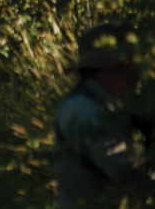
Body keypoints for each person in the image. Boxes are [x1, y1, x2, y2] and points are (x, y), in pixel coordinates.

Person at [54, 20, 142, 208]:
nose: (136, 72)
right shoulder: (85, 111)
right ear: (109, 68)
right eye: (128, 63)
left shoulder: (96, 104)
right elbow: (127, 174)